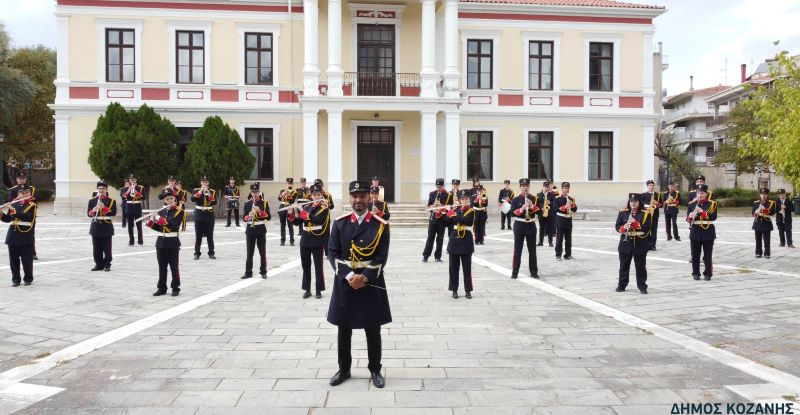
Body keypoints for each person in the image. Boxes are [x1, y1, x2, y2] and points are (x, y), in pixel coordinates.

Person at [327, 180, 391, 389]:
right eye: (354, 197)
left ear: (369, 198)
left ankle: (375, 369)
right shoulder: (340, 223)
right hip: (346, 283)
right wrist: (349, 277)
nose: (358, 201)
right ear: (350, 198)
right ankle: (344, 369)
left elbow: (382, 256)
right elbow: (333, 254)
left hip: (369, 283)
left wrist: (363, 277)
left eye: (362, 196)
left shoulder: (380, 225)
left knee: (373, 329)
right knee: (343, 329)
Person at [289, 184, 330, 299]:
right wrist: (291, 213)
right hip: (305, 239)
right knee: (305, 265)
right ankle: (307, 289)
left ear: (321, 195)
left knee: (318, 266)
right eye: (314, 195)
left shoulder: (324, 209)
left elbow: (318, 220)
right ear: (311, 196)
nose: (316, 197)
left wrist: (302, 211)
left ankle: (318, 290)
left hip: (317, 239)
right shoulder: (307, 207)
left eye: (318, 194)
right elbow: (297, 222)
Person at [145, 189, 186, 296]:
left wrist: (157, 217)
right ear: (164, 200)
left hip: (172, 242)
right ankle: (162, 287)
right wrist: (150, 222)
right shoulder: (162, 211)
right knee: (162, 267)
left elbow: (172, 225)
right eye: (167, 199)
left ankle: (175, 287)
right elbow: (160, 228)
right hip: (160, 242)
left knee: (174, 266)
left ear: (175, 198)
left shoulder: (179, 211)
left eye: (171, 198)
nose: (169, 200)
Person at [615, 193, 652, 294]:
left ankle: (642, 286)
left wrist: (636, 224)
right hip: (625, 243)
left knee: (640, 267)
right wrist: (623, 228)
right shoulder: (623, 212)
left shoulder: (646, 213)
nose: (633, 203)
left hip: (640, 243)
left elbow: (647, 229)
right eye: (631, 201)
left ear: (639, 202)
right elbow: (617, 226)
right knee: (623, 266)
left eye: (635, 201)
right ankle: (621, 285)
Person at [1, 185, 36, 286]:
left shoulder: (32, 205)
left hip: (25, 235)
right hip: (12, 236)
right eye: (22, 192)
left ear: (30, 193)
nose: (24, 194)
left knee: (27, 260)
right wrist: (1, 213)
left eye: (26, 192)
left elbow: (27, 217)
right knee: (13, 261)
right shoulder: (14, 204)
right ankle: (16, 279)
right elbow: (8, 219)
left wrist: (12, 209)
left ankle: (28, 278)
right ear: (18, 194)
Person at [509, 178, 540, 279]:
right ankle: (515, 272)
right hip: (519, 226)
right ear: (520, 187)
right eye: (523, 186)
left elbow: (540, 213)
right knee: (517, 251)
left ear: (529, 186)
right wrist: (522, 208)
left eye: (527, 186)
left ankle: (534, 272)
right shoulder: (515, 199)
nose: (525, 188)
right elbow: (511, 213)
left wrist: (532, 205)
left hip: (530, 225)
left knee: (532, 251)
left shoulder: (535, 198)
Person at [447, 189, 475, 298]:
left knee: (467, 269)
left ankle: (468, 291)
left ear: (469, 199)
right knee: (453, 269)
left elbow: (466, 221)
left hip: (466, 243)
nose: (464, 200)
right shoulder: (456, 210)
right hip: (454, 242)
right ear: (459, 200)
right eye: (462, 199)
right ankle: (454, 290)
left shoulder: (471, 211)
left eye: (466, 199)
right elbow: (446, 222)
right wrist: (443, 212)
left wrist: (451, 213)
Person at [687, 184, 717, 281]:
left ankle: (708, 273)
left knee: (708, 254)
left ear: (706, 194)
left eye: (702, 193)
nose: (700, 195)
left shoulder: (712, 204)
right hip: (695, 231)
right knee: (695, 254)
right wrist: (690, 216)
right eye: (698, 193)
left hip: (708, 231)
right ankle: (696, 273)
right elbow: (687, 219)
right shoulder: (692, 204)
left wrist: (703, 213)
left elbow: (714, 217)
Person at [242, 183, 271, 279]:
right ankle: (248, 272)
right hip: (250, 230)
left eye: (256, 192)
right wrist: (249, 216)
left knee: (262, 252)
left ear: (259, 192)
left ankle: (263, 271)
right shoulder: (247, 203)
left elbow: (269, 217)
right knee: (249, 252)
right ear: (251, 192)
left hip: (261, 230)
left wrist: (260, 211)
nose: (255, 194)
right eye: (253, 192)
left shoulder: (264, 203)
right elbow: (244, 218)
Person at [8, 172, 39, 260]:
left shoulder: (31, 188)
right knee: (17, 233)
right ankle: (19, 251)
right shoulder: (13, 190)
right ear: (17, 179)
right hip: (16, 214)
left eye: (23, 178)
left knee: (30, 233)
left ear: (25, 179)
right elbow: (11, 202)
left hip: (28, 213)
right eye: (20, 178)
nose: (22, 180)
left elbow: (34, 200)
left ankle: (32, 253)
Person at [88, 181, 117, 272]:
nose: (101, 190)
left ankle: (107, 264)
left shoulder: (111, 200)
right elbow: (88, 214)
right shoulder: (92, 200)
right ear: (97, 189)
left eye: (103, 189)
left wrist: (104, 207)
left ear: (106, 190)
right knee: (96, 247)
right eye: (99, 188)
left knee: (107, 247)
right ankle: (98, 264)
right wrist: (93, 210)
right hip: (95, 225)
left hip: (106, 225)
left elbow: (113, 213)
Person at [422, 178, 450, 262]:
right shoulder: (432, 194)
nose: (439, 188)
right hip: (433, 218)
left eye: (440, 187)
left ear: (443, 185)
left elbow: (449, 207)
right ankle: (426, 256)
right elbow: (429, 206)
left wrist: (440, 205)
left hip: (442, 219)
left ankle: (438, 256)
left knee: (440, 238)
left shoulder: (448, 195)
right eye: (437, 186)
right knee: (430, 238)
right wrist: (433, 206)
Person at [191, 176, 217, 260]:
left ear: (208, 183)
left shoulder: (212, 191)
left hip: (209, 215)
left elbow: (214, 202)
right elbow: (192, 199)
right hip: (199, 214)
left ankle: (211, 252)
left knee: (210, 235)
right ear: (200, 183)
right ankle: (197, 253)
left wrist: (208, 193)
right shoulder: (196, 190)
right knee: (198, 235)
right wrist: (200, 191)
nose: (204, 184)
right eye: (203, 182)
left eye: (206, 182)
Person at [554, 182, 578, 260]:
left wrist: (572, 205)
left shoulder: (571, 199)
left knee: (568, 239)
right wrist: (565, 207)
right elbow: (555, 208)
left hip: (568, 220)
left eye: (567, 188)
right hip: (560, 220)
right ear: (562, 189)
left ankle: (568, 254)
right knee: (559, 239)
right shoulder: (557, 198)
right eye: (564, 188)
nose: (566, 190)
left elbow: (575, 209)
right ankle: (558, 254)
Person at [121, 174, 145, 246]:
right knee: (130, 225)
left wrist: (136, 192)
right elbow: (123, 198)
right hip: (129, 206)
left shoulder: (140, 187)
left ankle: (140, 241)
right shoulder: (125, 188)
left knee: (139, 225)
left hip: (137, 206)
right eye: (131, 180)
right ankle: (131, 241)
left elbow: (143, 197)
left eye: (133, 180)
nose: (132, 181)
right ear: (129, 180)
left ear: (136, 180)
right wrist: (128, 190)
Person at [752, 188, 775, 259]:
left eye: (765, 194)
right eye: (761, 194)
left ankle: (767, 253)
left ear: (767, 195)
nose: (763, 196)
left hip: (766, 224)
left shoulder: (771, 203)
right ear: (760, 195)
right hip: (758, 223)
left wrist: (763, 209)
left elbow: (772, 212)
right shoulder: (756, 203)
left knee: (767, 240)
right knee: (758, 240)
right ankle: (758, 253)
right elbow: (753, 214)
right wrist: (756, 212)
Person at [642, 180, 663, 251]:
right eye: (650, 185)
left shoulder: (658, 194)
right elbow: (642, 205)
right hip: (646, 215)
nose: (651, 187)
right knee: (646, 229)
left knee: (654, 230)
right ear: (647, 186)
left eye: (652, 185)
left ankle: (653, 245)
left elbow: (661, 205)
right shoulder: (644, 195)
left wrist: (657, 203)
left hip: (655, 215)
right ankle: (647, 245)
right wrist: (648, 206)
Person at [278, 178, 298, 246]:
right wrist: (282, 194)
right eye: (288, 183)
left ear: (292, 184)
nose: (289, 184)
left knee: (290, 225)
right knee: (282, 225)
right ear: (286, 183)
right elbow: (279, 199)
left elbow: (292, 201)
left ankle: (291, 241)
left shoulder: (294, 192)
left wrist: (288, 194)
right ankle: (282, 240)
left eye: (290, 183)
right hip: (283, 207)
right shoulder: (282, 190)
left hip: (289, 208)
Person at [536, 181, 556, 247]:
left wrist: (550, 203)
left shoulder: (552, 195)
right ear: (543, 187)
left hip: (550, 214)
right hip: (541, 214)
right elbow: (536, 204)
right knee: (541, 228)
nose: (546, 188)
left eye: (547, 187)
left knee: (550, 228)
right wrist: (541, 207)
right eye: (545, 187)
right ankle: (540, 241)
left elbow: (555, 205)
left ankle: (550, 242)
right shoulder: (538, 195)